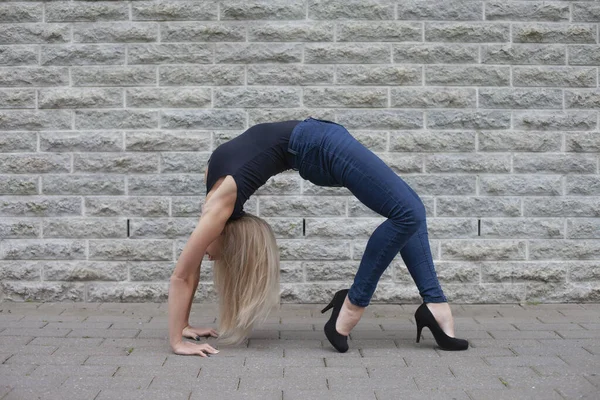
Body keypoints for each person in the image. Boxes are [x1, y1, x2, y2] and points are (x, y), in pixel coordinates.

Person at [167, 117, 469, 357]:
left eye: (216, 254)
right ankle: (435, 305)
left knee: (409, 212)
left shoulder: (218, 208)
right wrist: (183, 327)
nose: (207, 256)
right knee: (409, 211)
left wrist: (176, 342)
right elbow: (189, 271)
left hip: (318, 145)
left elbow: (181, 276)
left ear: (227, 235)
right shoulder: (213, 185)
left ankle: (352, 305)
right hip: (315, 141)